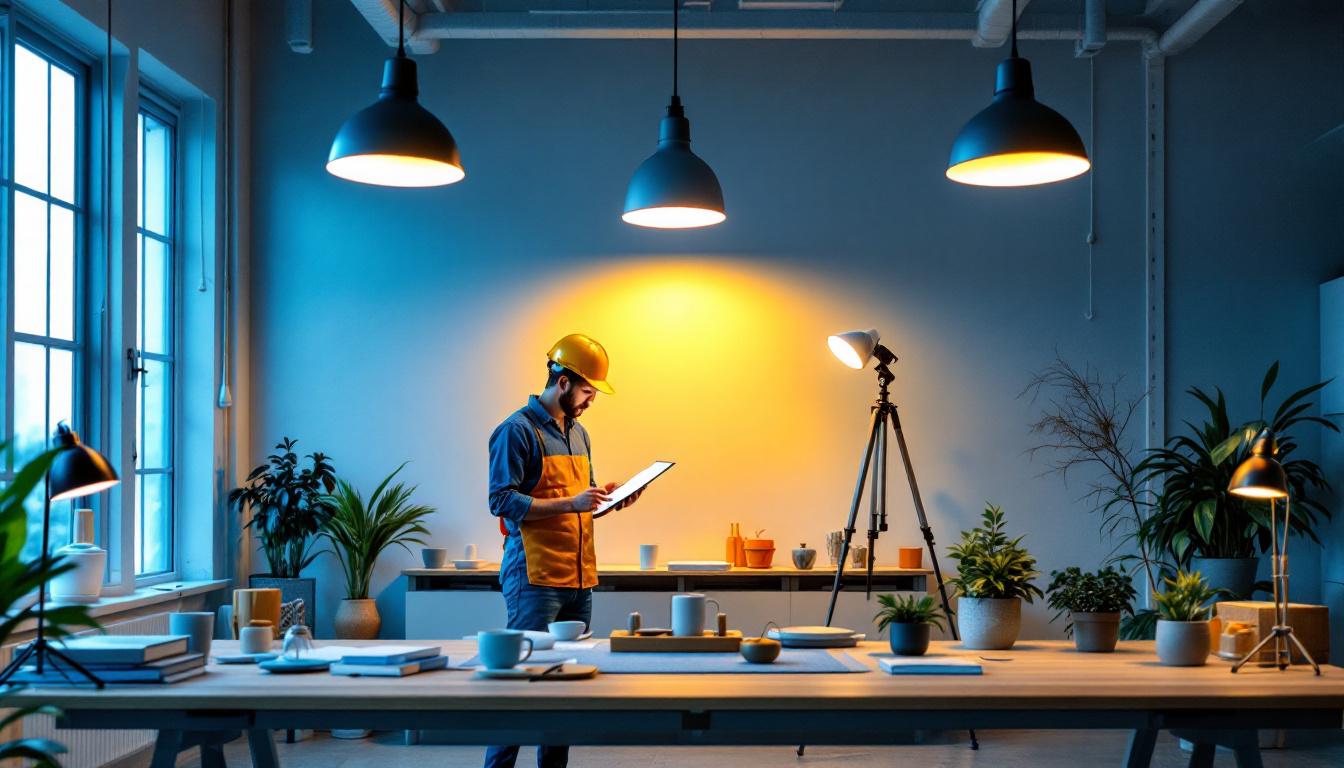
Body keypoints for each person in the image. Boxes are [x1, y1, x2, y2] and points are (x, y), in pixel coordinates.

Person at [484, 333, 642, 768]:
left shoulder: (579, 434)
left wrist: (611, 499)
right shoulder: (516, 431)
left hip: (579, 580)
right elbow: (501, 501)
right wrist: (572, 502)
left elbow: (579, 506)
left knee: (563, 691)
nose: (592, 401)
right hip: (534, 580)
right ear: (564, 382)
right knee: (518, 687)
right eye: (588, 391)